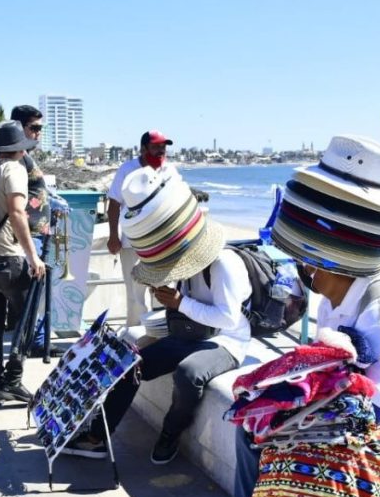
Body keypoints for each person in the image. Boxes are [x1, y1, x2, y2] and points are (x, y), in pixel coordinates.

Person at [202, 135, 380, 497]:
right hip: (354, 414)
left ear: (318, 259)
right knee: (252, 429)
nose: (294, 265)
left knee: (283, 447)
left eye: (299, 258)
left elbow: (373, 412)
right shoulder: (334, 298)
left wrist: (291, 423)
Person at [62, 165, 252, 464]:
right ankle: (99, 436)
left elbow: (228, 318)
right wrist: (167, 302)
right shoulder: (184, 265)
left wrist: (179, 304)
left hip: (226, 341)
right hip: (192, 333)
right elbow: (183, 310)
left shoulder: (223, 264)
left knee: (189, 375)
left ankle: (171, 433)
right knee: (130, 364)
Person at [0, 105, 57, 362]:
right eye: (34, 128)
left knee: (14, 301)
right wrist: (32, 254)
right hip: (23, 238)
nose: (38, 133)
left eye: (41, 129)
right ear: (20, 129)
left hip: (11, 242)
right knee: (26, 300)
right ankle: (23, 354)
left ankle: (14, 351)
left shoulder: (7, 159)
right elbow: (16, 210)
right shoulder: (17, 160)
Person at [0, 121, 46, 407]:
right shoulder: (14, 169)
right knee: (26, 320)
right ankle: (12, 382)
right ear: (19, 149)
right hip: (6, 260)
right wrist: (33, 256)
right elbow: (17, 213)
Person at [106, 131, 175, 326]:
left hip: (162, 242)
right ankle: (136, 336)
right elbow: (113, 203)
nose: (161, 151)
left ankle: (162, 334)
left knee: (164, 289)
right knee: (135, 294)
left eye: (163, 147)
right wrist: (113, 237)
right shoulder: (127, 169)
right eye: (156, 147)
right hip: (132, 242)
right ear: (143, 149)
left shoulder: (168, 169)